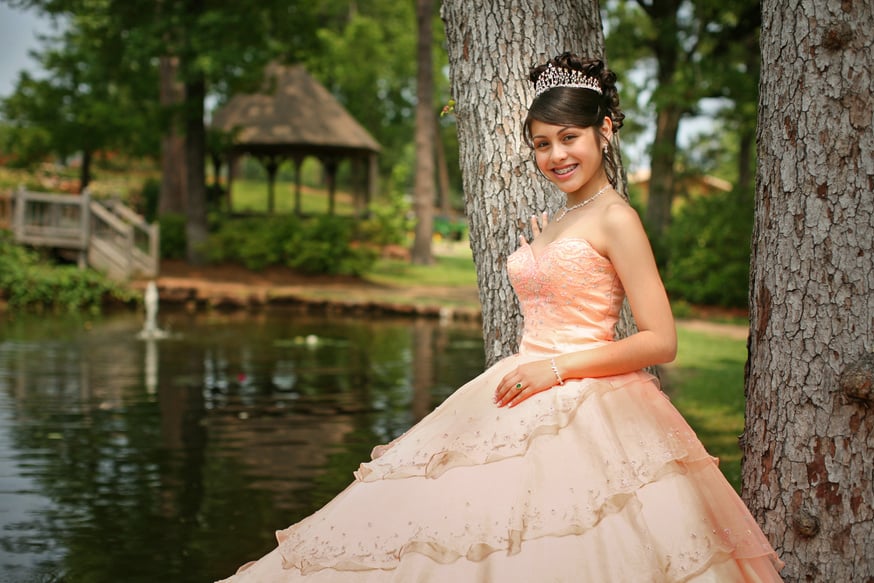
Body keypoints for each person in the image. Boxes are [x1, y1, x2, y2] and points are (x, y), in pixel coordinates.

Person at [218, 53, 784, 582]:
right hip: (515, 386)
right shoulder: (566, 215)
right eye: (542, 144)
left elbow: (661, 341)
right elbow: (564, 287)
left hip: (584, 400)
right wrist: (546, 257)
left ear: (604, 129)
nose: (556, 156)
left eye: (569, 138)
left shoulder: (617, 219)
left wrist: (555, 369)